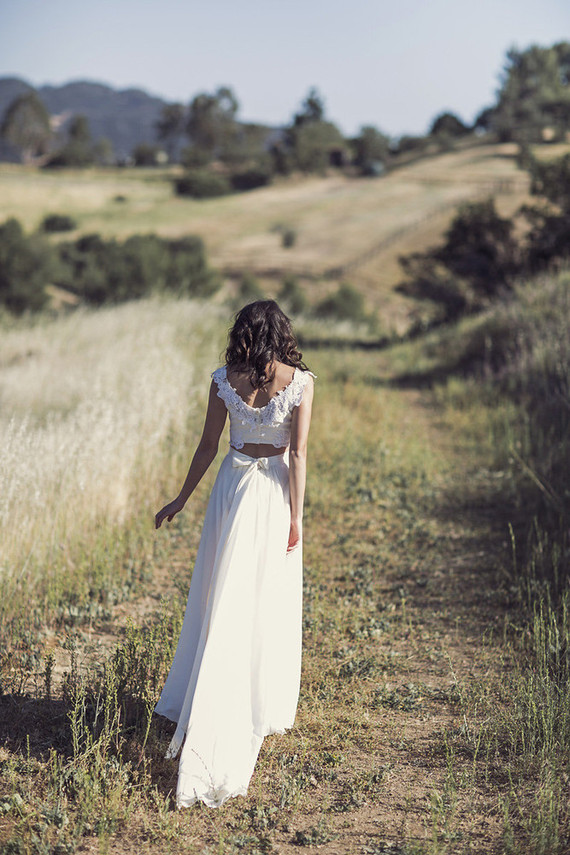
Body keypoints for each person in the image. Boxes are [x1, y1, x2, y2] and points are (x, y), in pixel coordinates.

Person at [153, 299, 315, 809]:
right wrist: (296, 517)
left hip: (232, 487)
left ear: (242, 332)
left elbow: (207, 445)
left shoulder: (225, 378)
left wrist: (181, 499)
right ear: (282, 332)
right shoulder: (302, 382)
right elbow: (301, 454)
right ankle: (250, 702)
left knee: (221, 593)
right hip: (272, 493)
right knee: (262, 596)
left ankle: (213, 691)